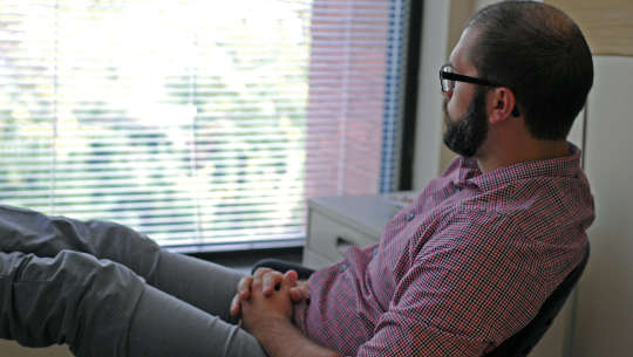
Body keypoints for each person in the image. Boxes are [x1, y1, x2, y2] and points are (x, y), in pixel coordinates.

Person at [0, 1, 595, 357]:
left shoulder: (500, 242)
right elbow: (388, 278)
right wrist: (294, 288)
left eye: (453, 78)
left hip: (290, 344)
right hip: (302, 311)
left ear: (500, 105)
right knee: (117, 248)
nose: (445, 94)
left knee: (83, 289)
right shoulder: (504, 164)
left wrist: (270, 324)